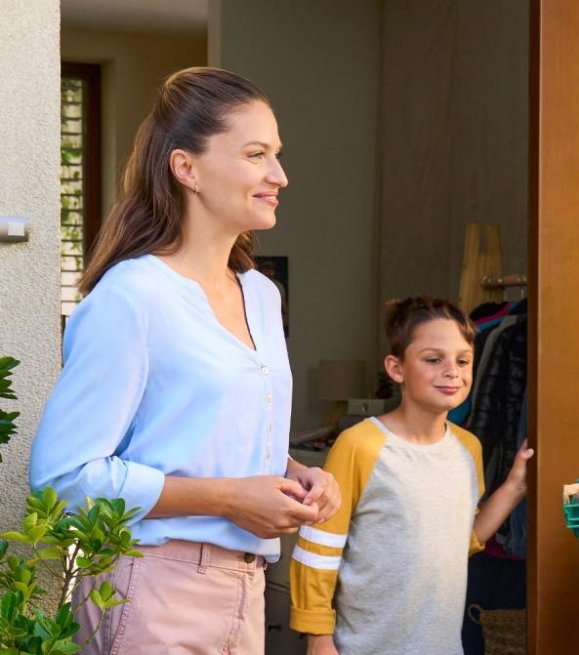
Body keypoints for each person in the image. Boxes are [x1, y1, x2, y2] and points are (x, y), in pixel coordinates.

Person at [30, 67, 341, 654]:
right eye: (256, 154)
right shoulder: (132, 297)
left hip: (247, 592)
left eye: (276, 154)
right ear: (186, 168)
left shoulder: (261, 294)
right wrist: (226, 497)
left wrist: (295, 476)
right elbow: (63, 478)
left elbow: (201, 434)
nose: (280, 175)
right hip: (149, 592)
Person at [289, 296, 533, 655]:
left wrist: (514, 487)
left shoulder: (469, 449)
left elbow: (456, 542)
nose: (452, 371)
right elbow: (319, 548)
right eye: (434, 359)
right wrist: (318, 638)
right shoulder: (360, 445)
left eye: (463, 360)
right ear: (396, 368)